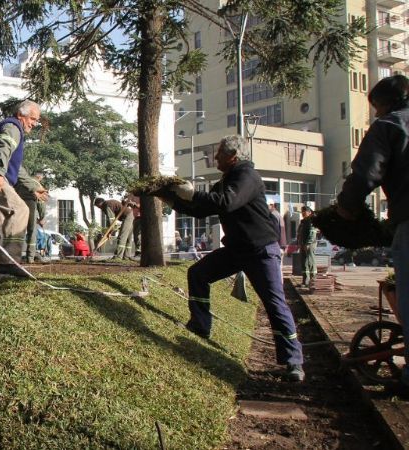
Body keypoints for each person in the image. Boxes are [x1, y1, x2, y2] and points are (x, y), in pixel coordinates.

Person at [155, 134, 304, 382]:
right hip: (237, 249)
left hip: (260, 251)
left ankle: (293, 361)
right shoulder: (227, 180)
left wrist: (192, 194)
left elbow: (226, 203)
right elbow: (203, 209)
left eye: (220, 154)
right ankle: (200, 325)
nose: (215, 158)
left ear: (233, 157)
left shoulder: (247, 177)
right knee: (198, 273)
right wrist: (171, 198)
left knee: (274, 304)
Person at [336, 74, 409, 393]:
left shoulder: (390, 126)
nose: (376, 114)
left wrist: (346, 207)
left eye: (376, 107)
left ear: (387, 103)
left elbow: (367, 171)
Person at [0, 99, 48, 280]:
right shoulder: (13, 127)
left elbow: (17, 169)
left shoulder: (12, 128)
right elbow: (2, 147)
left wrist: (34, 186)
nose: (34, 124)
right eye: (33, 119)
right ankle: (8, 261)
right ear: (21, 115)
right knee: (20, 210)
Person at [17, 172, 48, 263]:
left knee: (18, 231)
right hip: (30, 204)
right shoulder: (37, 184)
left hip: (18, 205)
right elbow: (41, 203)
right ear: (39, 177)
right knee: (32, 231)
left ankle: (15, 255)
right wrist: (42, 217)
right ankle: (30, 257)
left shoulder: (22, 182)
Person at [297, 206, 317, 287]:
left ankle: (313, 281)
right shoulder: (303, 221)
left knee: (310, 261)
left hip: (309, 244)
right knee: (304, 262)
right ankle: (305, 281)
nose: (303, 213)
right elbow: (300, 233)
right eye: (302, 212)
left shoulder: (311, 221)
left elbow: (312, 233)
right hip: (303, 244)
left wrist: (308, 243)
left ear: (309, 212)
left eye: (304, 212)